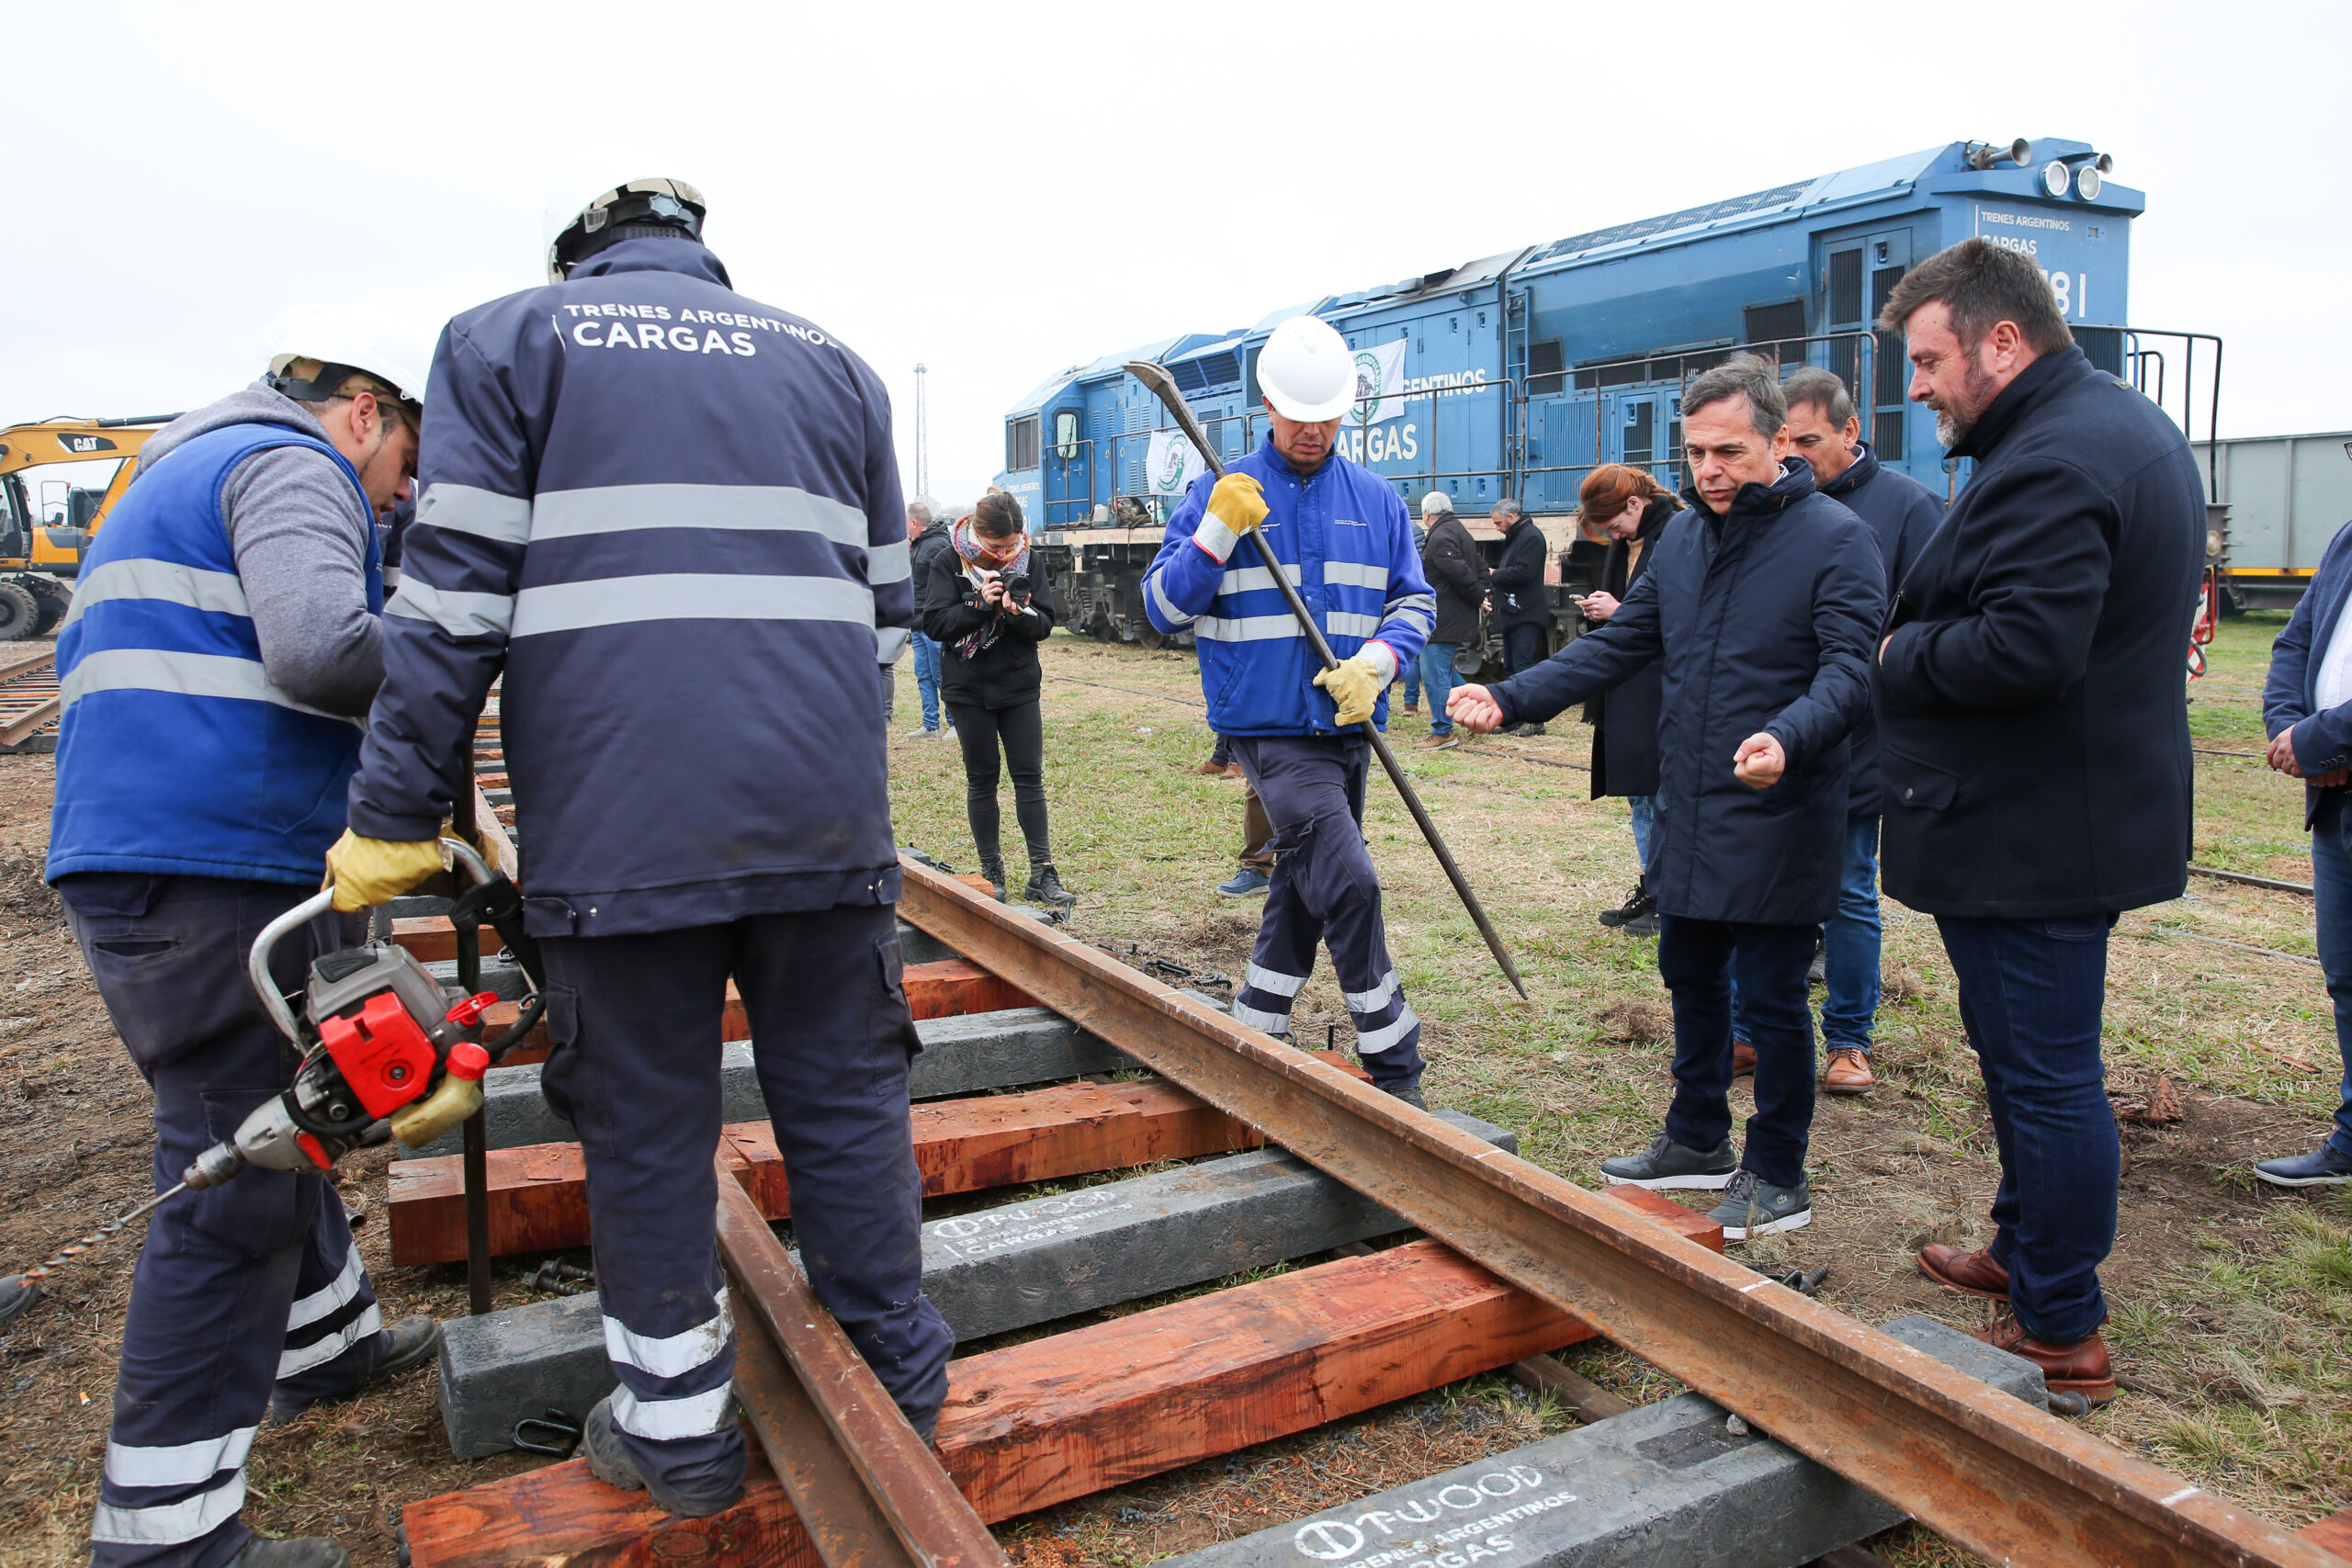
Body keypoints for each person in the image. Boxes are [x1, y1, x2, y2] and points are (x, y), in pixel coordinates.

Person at [323, 177, 954, 1518]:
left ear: (582, 258)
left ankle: (678, 1434)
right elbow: (891, 620)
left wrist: (390, 814)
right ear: (701, 260)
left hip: (620, 833)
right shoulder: (836, 365)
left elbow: (445, 615)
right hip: (823, 820)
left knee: (648, 1123)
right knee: (847, 1096)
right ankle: (896, 1386)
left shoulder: (508, 340)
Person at [44, 306, 443, 1568]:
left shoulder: (178, 466)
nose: (402, 488)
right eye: (404, 461)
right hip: (217, 867)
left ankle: (328, 1345)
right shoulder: (291, 463)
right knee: (237, 1183)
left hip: (160, 858)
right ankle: (168, 1537)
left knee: (287, 1114)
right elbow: (324, 648)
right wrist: (461, 651)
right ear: (364, 411)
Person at [1450, 355, 1883, 1240]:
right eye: (1695, 454)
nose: (1710, 471)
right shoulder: (1684, 539)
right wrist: (1514, 693)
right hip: (1689, 806)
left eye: (1729, 451)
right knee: (1686, 971)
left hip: (1779, 808)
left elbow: (1851, 673)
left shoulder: (1837, 540)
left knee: (1769, 998)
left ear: (1777, 441)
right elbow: (1617, 650)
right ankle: (1696, 1138)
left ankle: (1776, 1171)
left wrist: (1788, 736)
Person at [1876, 238, 2203, 1405]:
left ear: (2000, 341)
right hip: (2056, 815)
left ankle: (2063, 1326)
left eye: (1928, 360)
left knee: (2047, 1075)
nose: (1916, 388)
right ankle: (2025, 1247)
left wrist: (1892, 651)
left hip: (2034, 832)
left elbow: (2022, 648)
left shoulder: (2055, 459)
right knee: (2020, 1063)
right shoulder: (2103, 427)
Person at [1141, 312, 1438, 1105]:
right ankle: (1395, 1058)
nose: (1313, 431)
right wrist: (1212, 536)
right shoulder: (1218, 491)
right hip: (1268, 731)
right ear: (1266, 407)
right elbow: (1163, 611)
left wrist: (1379, 661)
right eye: (1298, 417)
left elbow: (1415, 599)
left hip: (1349, 726)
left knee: (1303, 884)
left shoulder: (1377, 501)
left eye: (1328, 416)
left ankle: (1257, 1022)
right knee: (1352, 883)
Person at [1779, 367, 1946, 1094]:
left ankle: (1849, 1038)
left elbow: (1937, 621)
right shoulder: (1771, 503)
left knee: (1848, 888)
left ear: (1851, 431)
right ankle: (1754, 1029)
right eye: (1783, 441)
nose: (1795, 456)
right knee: (1767, 882)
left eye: (1809, 441)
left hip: (1860, 738)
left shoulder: (1910, 509)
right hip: (1776, 733)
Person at [920, 491, 1075, 908]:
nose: (1004, 556)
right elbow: (934, 623)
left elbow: (1045, 624)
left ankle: (1041, 872)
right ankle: (992, 873)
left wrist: (1015, 612)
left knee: (1030, 777)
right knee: (982, 778)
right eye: (995, 548)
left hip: (1018, 685)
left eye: (1010, 546)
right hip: (966, 687)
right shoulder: (948, 562)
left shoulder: (1030, 561)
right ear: (977, 534)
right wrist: (977, 604)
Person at [2258, 518, 2352, 1188]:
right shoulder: (2346, 537)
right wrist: (2290, 729)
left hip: (2335, 764)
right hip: (2336, 800)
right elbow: (2295, 641)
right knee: (2346, 976)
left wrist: (2323, 741)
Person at [1574, 465, 1680, 933]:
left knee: (1659, 795)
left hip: (1660, 687)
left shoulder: (1679, 533)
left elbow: (1685, 613)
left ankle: (1667, 895)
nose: (1613, 534)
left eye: (1615, 524)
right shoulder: (1628, 543)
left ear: (1635, 504)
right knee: (1641, 794)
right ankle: (1654, 886)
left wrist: (1620, 612)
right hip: (1628, 685)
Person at [1417, 488, 1487, 751]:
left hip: (1443, 618)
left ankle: (1443, 731)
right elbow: (1479, 566)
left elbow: (1461, 571)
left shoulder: (1440, 537)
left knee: (1434, 674)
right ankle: (1478, 711)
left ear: (1427, 514)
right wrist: (1481, 591)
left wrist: (1478, 595)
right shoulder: (1459, 530)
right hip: (1454, 615)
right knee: (1444, 671)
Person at [1488, 498, 1550, 735]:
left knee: (1524, 668)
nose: (1498, 528)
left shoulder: (1531, 537)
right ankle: (1515, 718)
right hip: (1515, 611)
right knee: (1512, 666)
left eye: (1499, 523)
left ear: (1511, 517)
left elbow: (1525, 572)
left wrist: (1495, 574)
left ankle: (1535, 721)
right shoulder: (1519, 537)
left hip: (1525, 612)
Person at [905, 498, 955, 738]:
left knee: (940, 674)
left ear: (914, 522)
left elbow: (945, 584)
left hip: (933, 621)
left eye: (905, 523)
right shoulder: (916, 545)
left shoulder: (937, 545)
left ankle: (955, 723)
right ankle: (930, 724)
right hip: (916, 621)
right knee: (923, 674)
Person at [1400, 499, 1435, 715]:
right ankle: (1410, 701)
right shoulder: (1417, 532)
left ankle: (1410, 702)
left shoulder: (1402, 529)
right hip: (1423, 593)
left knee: (1414, 656)